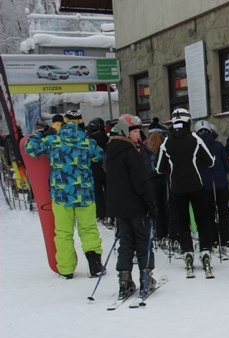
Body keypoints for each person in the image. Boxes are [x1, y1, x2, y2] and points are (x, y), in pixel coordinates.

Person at [24, 109, 105, 279]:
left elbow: (29, 148)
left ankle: (66, 269)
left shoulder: (53, 140)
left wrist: (40, 134)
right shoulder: (86, 142)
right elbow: (99, 155)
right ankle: (95, 265)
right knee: (89, 229)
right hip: (85, 195)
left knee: (63, 232)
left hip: (61, 196)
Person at [156, 108, 215, 276]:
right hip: (197, 186)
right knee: (201, 219)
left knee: (183, 222)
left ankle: (187, 251)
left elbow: (159, 169)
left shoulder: (166, 143)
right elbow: (210, 161)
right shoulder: (195, 139)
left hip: (177, 188)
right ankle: (205, 250)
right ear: (189, 122)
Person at [105, 114, 157, 298]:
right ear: (124, 132)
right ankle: (145, 277)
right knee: (143, 241)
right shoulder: (131, 153)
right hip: (136, 206)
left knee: (126, 242)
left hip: (120, 208)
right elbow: (140, 182)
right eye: (134, 131)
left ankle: (124, 280)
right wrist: (151, 204)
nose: (138, 135)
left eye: (138, 131)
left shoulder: (111, 153)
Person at [194, 120, 229, 260]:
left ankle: (213, 241)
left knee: (208, 214)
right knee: (224, 213)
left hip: (205, 186)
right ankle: (227, 241)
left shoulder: (196, 148)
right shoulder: (218, 145)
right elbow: (227, 165)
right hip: (221, 184)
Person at [144, 118, 172, 245]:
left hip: (151, 179)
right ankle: (170, 232)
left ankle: (159, 233)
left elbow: (143, 164)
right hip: (164, 177)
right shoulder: (164, 144)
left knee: (157, 207)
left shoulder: (145, 146)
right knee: (167, 205)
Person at [86, 117, 110, 228]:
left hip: (93, 170)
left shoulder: (88, 142)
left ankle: (101, 214)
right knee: (110, 192)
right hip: (107, 169)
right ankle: (111, 214)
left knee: (97, 194)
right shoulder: (108, 139)